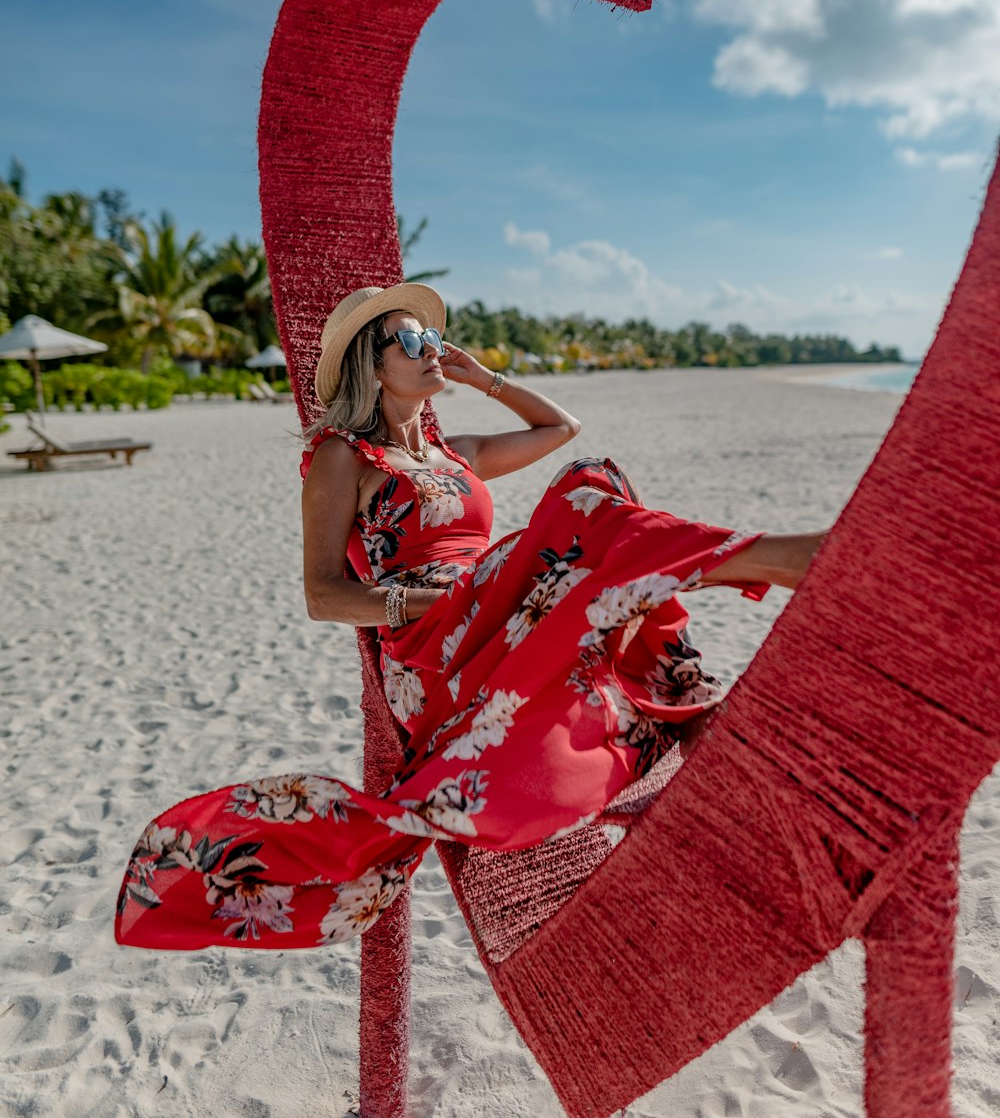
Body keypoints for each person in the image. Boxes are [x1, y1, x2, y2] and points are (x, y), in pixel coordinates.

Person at [116, 284, 826, 951]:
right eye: (409, 339)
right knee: (583, 504)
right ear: (371, 365)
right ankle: (795, 563)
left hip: (493, 609)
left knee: (594, 478)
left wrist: (482, 376)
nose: (430, 349)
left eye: (432, 336)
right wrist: (428, 601)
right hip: (433, 643)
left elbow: (562, 426)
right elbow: (323, 594)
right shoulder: (344, 456)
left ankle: (718, 658)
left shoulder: (459, 457)